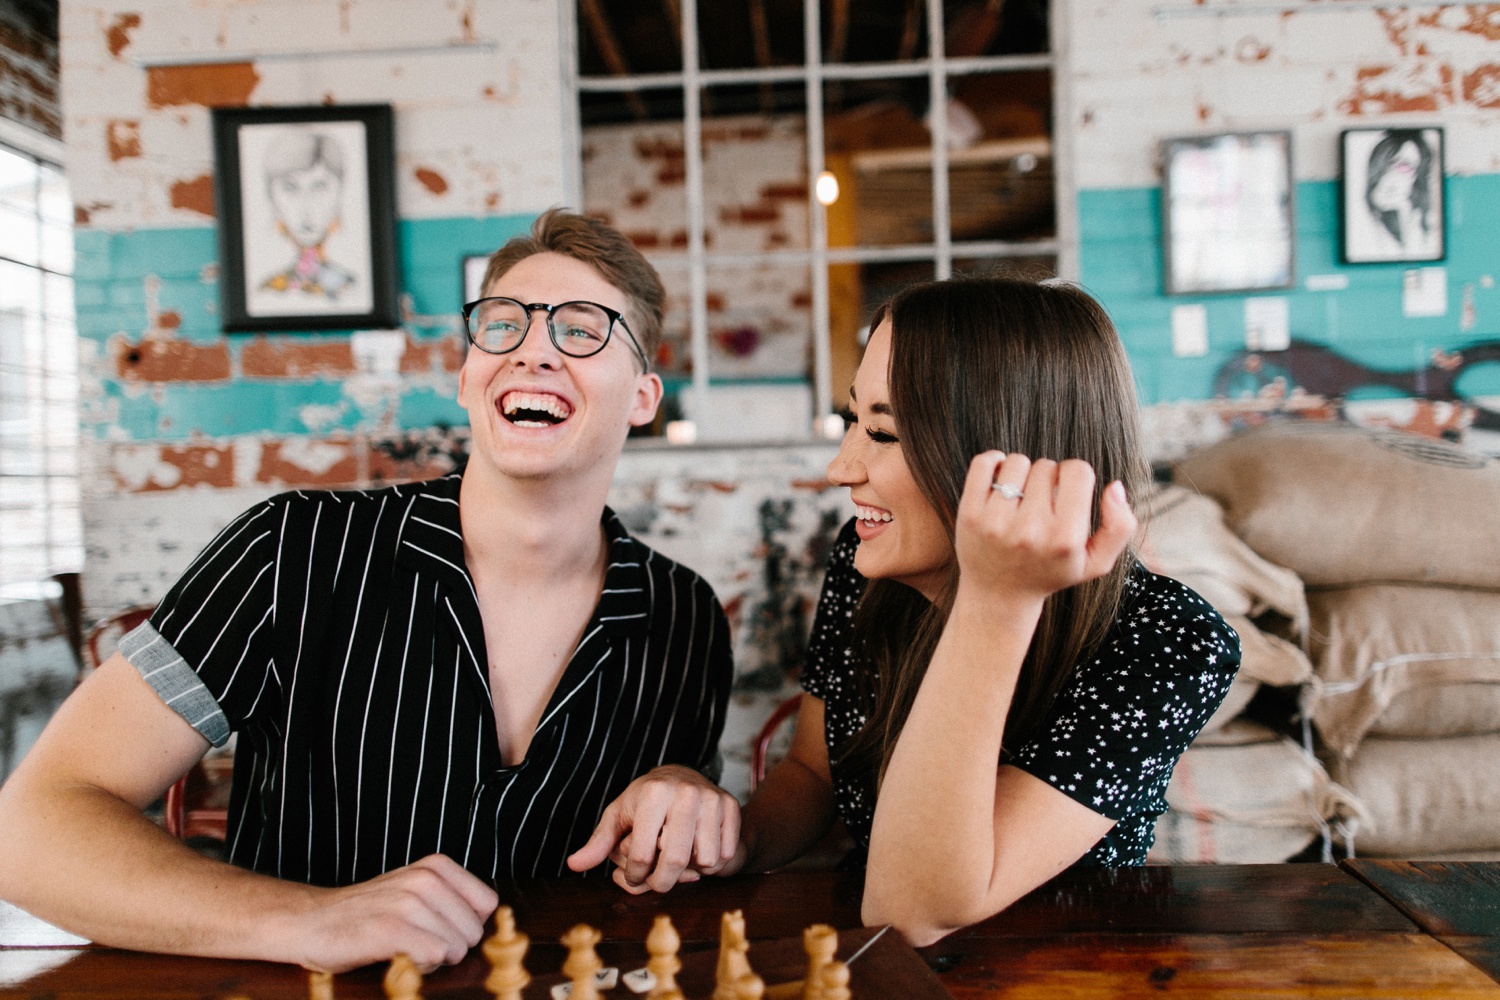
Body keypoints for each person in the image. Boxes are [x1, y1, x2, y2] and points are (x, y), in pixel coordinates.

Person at [0, 209, 734, 972]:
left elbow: (669, 860)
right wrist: (310, 921)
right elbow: (32, 827)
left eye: (582, 331)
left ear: (645, 397)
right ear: (467, 375)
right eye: (502, 326)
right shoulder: (290, 550)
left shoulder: (685, 618)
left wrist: (689, 795)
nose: (533, 353)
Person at [568, 276, 1240, 945]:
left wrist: (996, 596)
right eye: (852, 419)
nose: (841, 466)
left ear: (1007, 454)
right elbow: (811, 774)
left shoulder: (1171, 640)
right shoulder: (865, 563)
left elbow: (914, 908)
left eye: (883, 434)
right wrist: (731, 835)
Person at [259, 129, 357, 299]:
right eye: (291, 188)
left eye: (319, 187)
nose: (306, 207)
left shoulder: (351, 287)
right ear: (271, 195)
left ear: (340, 192)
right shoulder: (268, 289)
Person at [1364, 129, 1438, 258]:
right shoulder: (1360, 219)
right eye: (1390, 162)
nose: (1393, 175)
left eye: (1406, 166)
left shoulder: (1417, 221)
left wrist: (1405, 213)